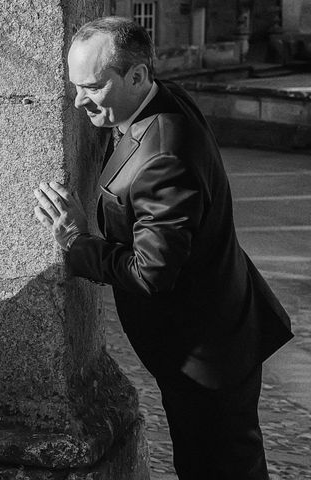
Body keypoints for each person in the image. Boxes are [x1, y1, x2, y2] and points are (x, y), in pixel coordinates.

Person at [34, 17, 293, 480]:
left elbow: (150, 272)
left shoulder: (164, 157)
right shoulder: (159, 98)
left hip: (207, 355)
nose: (77, 101)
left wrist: (76, 242)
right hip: (220, 329)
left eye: (92, 87)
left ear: (136, 76)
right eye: (74, 86)